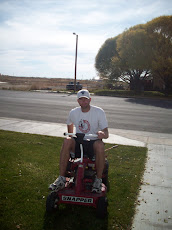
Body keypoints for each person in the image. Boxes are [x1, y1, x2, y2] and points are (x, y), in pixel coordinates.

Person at [49, 89, 109, 193]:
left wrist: (102, 134)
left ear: (90, 100)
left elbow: (106, 133)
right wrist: (71, 135)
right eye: (81, 100)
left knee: (100, 145)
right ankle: (62, 178)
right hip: (79, 141)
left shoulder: (98, 112)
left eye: (85, 100)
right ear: (78, 101)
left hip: (93, 142)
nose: (83, 102)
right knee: (67, 140)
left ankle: (98, 180)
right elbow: (69, 123)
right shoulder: (74, 112)